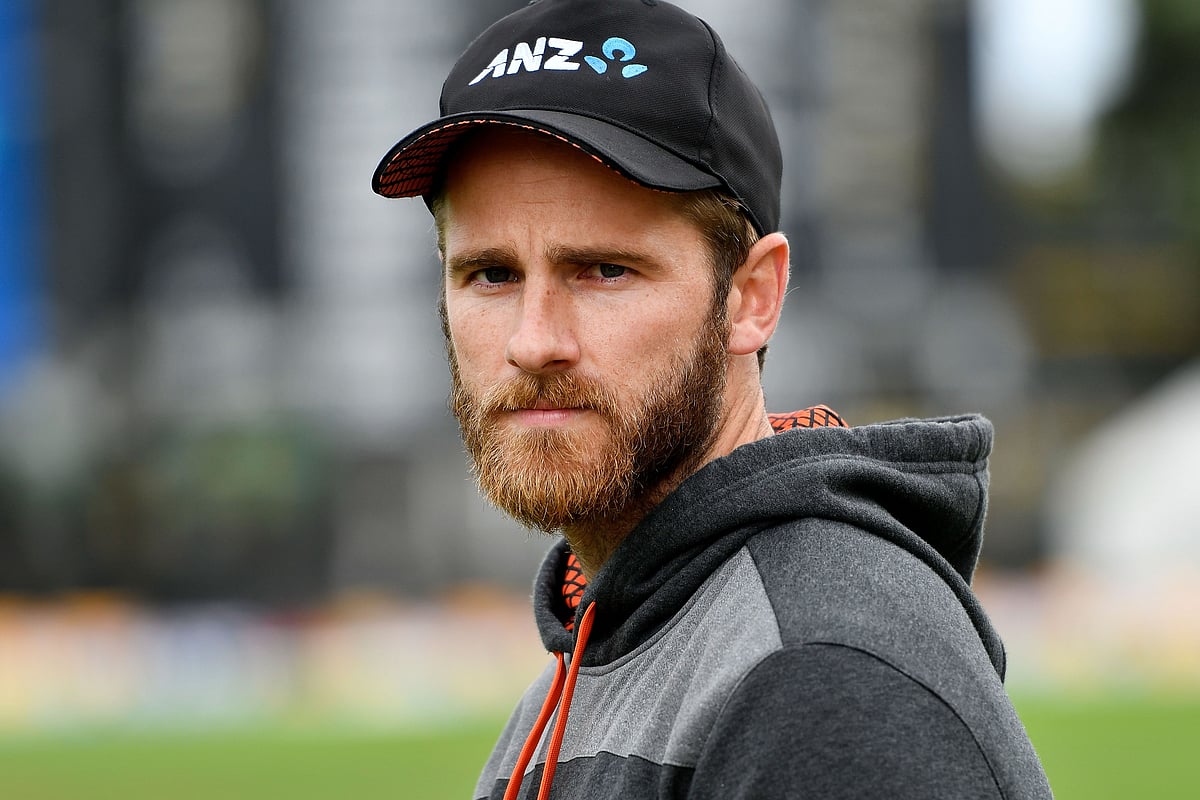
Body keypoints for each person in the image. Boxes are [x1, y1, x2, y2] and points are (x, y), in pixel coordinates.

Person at [372, 0, 1053, 797]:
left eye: (604, 270)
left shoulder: (819, 676)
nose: (533, 341)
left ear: (751, 297)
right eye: (490, 273)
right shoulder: (613, 644)